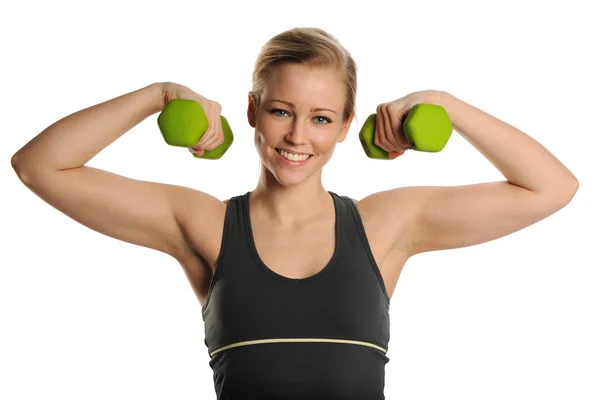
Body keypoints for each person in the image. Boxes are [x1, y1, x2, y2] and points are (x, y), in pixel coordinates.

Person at [11, 27, 578, 399]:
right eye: (282, 111)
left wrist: (448, 106)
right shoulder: (203, 223)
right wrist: (156, 95)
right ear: (253, 111)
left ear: (346, 126)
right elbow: (40, 166)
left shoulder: (387, 225)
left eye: (322, 118)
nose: (298, 136)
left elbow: (552, 188)